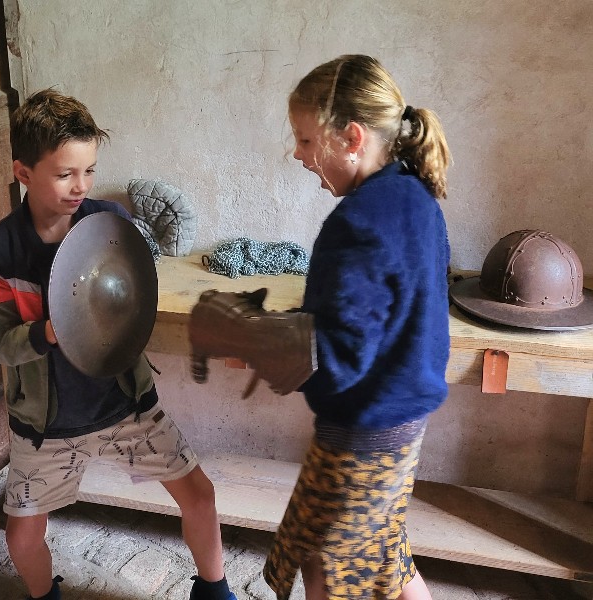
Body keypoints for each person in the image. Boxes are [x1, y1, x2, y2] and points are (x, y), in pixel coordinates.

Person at [188, 54, 452, 600]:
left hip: (365, 432)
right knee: (383, 550)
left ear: (351, 138)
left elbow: (340, 354)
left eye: (306, 140)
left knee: (327, 565)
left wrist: (253, 336)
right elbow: (380, 324)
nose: (298, 153)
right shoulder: (414, 196)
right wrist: (275, 332)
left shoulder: (360, 220)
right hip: (400, 420)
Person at [0, 89, 236, 600]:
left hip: (125, 405)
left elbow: (134, 298)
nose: (81, 186)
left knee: (200, 496)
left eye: (89, 170)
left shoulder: (109, 223)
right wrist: (48, 332)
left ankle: (214, 590)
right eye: (65, 173)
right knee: (22, 536)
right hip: (47, 425)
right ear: (23, 173)